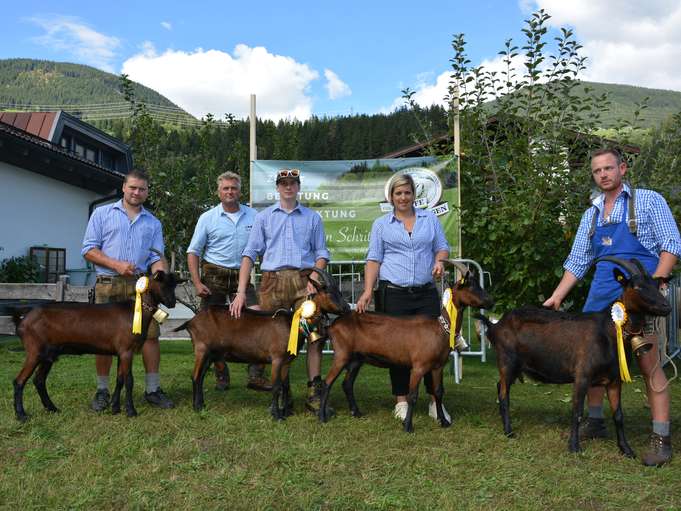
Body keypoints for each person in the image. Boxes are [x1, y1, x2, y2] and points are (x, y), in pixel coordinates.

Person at [544, 148, 681, 466]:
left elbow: (671, 243)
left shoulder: (647, 200)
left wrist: (657, 282)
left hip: (638, 300)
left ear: (623, 168)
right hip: (601, 299)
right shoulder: (590, 214)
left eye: (608, 168)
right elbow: (578, 262)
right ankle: (595, 421)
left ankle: (661, 437)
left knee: (649, 364)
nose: (603, 174)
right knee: (590, 363)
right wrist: (557, 297)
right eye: (597, 171)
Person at [229, 168, 331, 413]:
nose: (288, 187)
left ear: (298, 187)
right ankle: (281, 392)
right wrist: (241, 292)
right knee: (273, 339)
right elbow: (249, 254)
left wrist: (314, 278)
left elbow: (321, 254)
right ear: (277, 187)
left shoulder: (312, 217)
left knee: (314, 333)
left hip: (303, 282)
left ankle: (313, 392)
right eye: (283, 183)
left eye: (292, 183)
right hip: (272, 282)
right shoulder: (263, 217)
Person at [355, 173, 451, 422]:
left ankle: (434, 401)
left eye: (407, 192)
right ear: (391, 197)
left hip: (425, 294)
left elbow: (442, 246)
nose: (403, 197)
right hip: (394, 294)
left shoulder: (429, 220)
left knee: (432, 349)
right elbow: (374, 259)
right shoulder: (381, 225)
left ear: (414, 195)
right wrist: (367, 291)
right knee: (396, 351)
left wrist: (440, 261)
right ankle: (401, 401)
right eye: (398, 193)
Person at [82, 169, 174, 411]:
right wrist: (116, 264)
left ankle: (153, 390)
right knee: (103, 340)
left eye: (142, 189)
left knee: (150, 336)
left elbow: (156, 257)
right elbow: (89, 250)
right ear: (123, 187)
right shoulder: (101, 214)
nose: (137, 192)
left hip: (141, 288)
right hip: (108, 283)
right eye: (133, 187)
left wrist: (159, 273)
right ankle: (102, 391)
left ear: (147, 192)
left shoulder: (153, 222)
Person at [186, 171, 270, 392]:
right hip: (214, 275)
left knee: (258, 317)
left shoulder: (255, 216)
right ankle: (221, 373)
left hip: (241, 277)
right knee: (211, 328)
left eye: (233, 188)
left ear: (240, 191)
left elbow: (262, 249)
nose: (230, 192)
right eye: (226, 188)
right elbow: (193, 252)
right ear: (218, 191)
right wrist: (196, 282)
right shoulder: (207, 218)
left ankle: (256, 375)